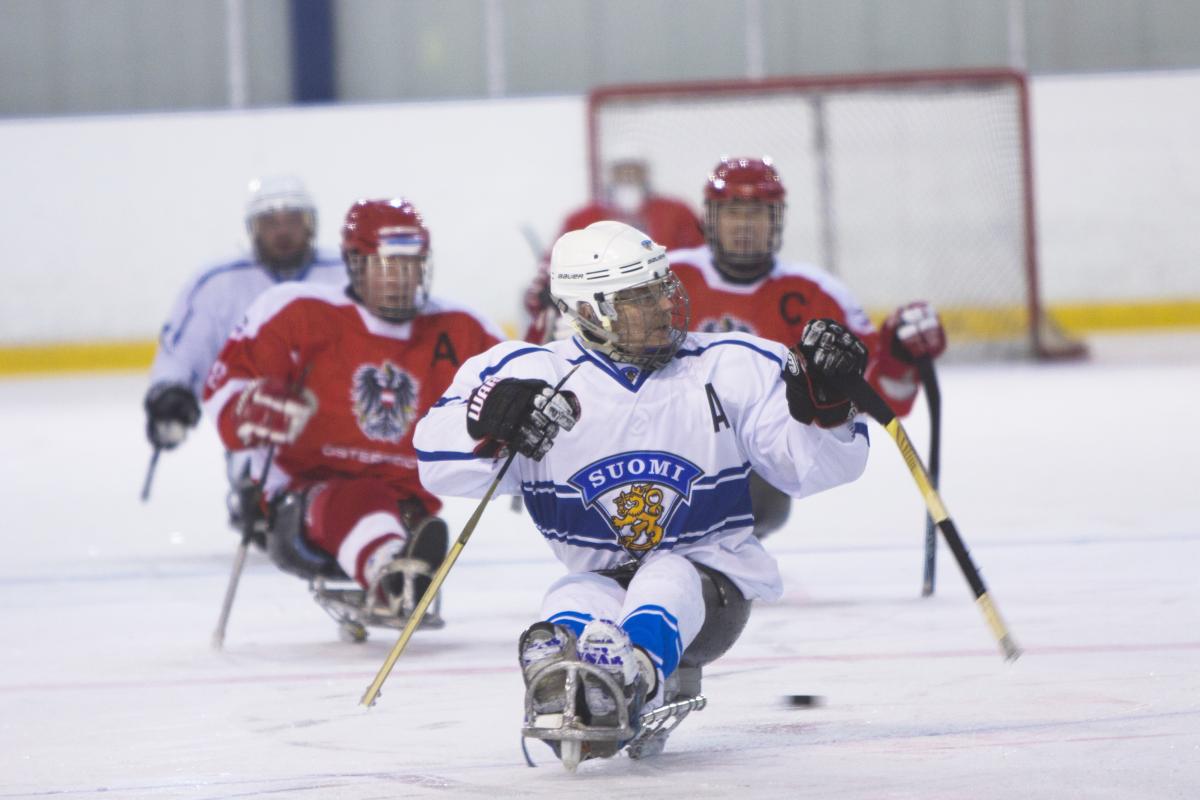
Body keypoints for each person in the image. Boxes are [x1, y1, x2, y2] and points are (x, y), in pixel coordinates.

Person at [413, 221, 870, 768]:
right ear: (585, 309)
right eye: (637, 296)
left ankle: (636, 678)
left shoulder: (733, 364)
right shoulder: (530, 375)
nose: (661, 305)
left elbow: (816, 468)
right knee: (570, 596)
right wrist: (484, 421)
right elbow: (434, 464)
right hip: (606, 581)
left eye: (661, 286)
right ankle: (569, 684)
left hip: (711, 594)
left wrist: (825, 408)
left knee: (667, 573)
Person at [201, 198, 503, 626]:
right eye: (386, 266)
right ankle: (391, 575)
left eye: (411, 266)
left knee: (386, 506)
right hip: (303, 503)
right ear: (355, 264)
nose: (400, 280)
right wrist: (247, 411)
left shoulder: (462, 328)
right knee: (357, 498)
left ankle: (400, 564)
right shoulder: (295, 312)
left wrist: (552, 333)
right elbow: (223, 386)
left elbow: (524, 384)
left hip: (408, 507)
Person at [668, 156, 948, 539]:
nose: (745, 225)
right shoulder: (664, 277)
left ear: (777, 220)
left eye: (758, 213)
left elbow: (884, 400)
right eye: (732, 212)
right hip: (659, 439)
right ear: (711, 218)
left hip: (752, 462)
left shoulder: (818, 294)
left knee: (754, 495)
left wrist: (898, 359)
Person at [143, 175, 344, 497]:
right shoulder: (219, 283)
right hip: (256, 422)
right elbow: (184, 350)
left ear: (311, 225)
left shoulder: (345, 273)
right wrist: (170, 393)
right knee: (259, 485)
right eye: (269, 222)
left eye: (293, 220)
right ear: (253, 229)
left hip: (340, 419)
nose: (282, 232)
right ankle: (258, 504)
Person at [521, 158, 705, 343]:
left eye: (634, 168)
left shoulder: (677, 212)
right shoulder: (581, 218)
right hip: (602, 323)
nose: (628, 175)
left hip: (667, 322)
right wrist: (553, 303)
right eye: (621, 169)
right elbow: (543, 286)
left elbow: (700, 266)